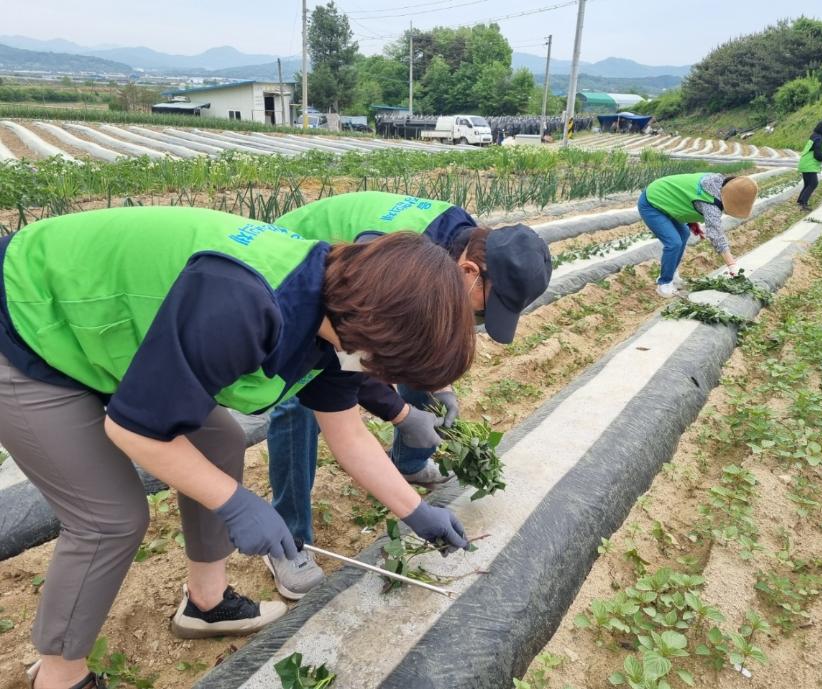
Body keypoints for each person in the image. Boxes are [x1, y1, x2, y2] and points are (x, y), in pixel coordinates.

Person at [0, 207, 476, 689]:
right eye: (389, 368)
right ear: (374, 334)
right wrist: (234, 502)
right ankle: (60, 675)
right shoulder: (243, 306)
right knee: (109, 519)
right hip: (29, 320)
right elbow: (135, 430)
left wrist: (416, 512)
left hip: (110, 333)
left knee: (221, 440)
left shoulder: (343, 315)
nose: (383, 379)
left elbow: (349, 435)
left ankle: (205, 603)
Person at [262, 192, 552, 599]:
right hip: (290, 271)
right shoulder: (389, 262)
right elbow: (350, 358)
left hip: (363, 291)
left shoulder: (463, 238)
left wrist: (439, 389)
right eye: (485, 310)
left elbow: (416, 341)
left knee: (426, 334)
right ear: (469, 271)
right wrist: (401, 414)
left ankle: (411, 462)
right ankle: (288, 538)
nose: (479, 320)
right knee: (299, 400)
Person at [638, 173, 758, 298]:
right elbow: (715, 234)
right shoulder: (711, 204)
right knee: (674, 243)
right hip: (652, 203)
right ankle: (664, 284)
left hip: (666, 200)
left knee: (684, 234)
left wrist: (690, 220)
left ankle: (672, 275)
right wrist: (732, 265)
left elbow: (686, 195)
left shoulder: (717, 181)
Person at [796, 120, 822, 210]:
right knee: (813, 183)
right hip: (810, 164)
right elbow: (817, 155)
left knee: (808, 184)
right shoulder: (819, 139)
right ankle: (803, 203)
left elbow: (817, 151)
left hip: (805, 162)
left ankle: (801, 201)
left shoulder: (814, 136)